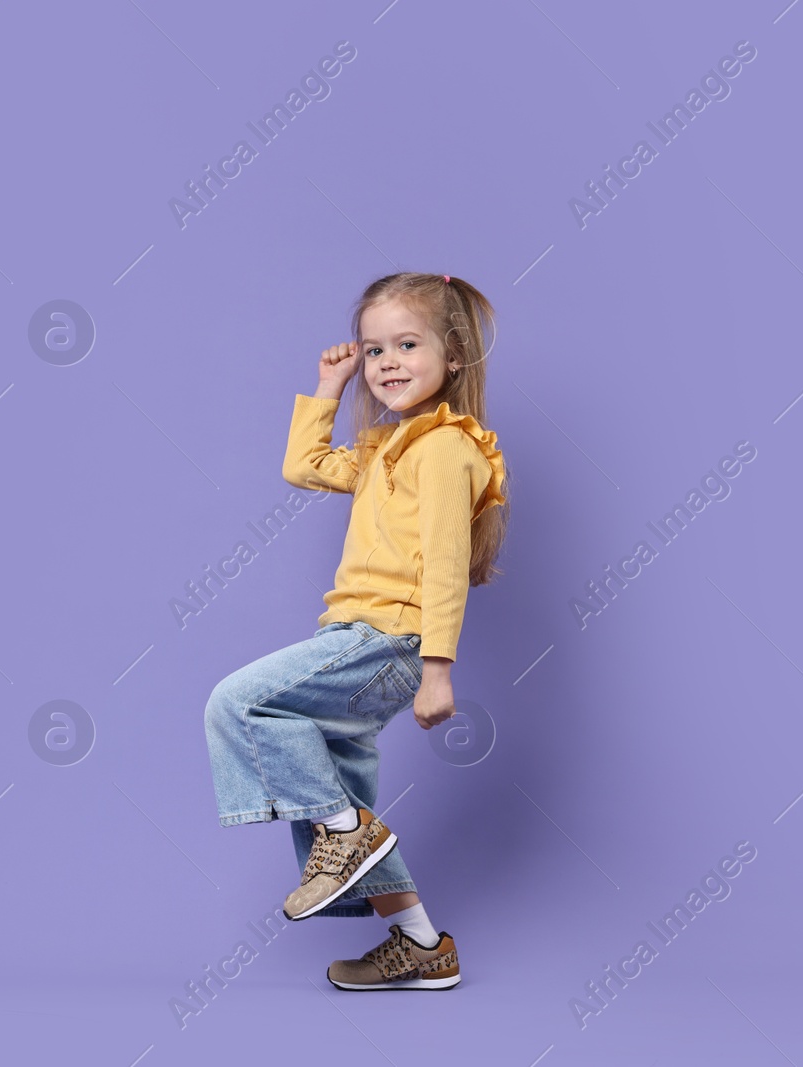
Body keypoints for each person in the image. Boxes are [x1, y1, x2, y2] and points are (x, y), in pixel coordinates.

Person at [204, 271, 510, 991]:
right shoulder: (387, 447)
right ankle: (420, 942)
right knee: (334, 791)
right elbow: (302, 465)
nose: (387, 362)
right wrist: (329, 387)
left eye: (408, 343)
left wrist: (439, 668)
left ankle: (344, 834)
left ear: (455, 355)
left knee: (240, 703)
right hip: (356, 634)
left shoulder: (444, 448)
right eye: (375, 350)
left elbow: (444, 562)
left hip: (386, 639)